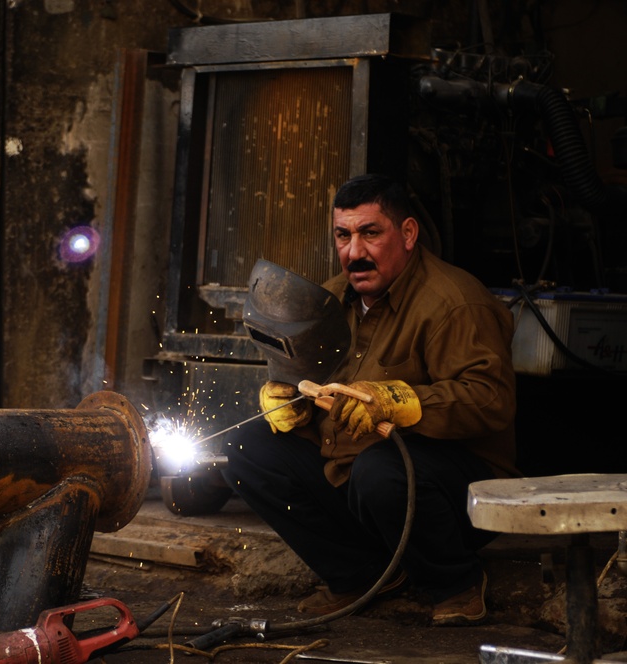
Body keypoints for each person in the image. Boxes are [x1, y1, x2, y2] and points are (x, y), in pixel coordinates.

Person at [222, 173, 519, 626]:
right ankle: (361, 576)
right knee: (248, 447)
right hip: (357, 478)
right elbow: (309, 388)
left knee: (380, 469)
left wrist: (400, 401)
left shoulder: (455, 302)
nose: (354, 253)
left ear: (407, 234)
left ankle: (456, 582)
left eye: (370, 233)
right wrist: (288, 398)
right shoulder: (332, 300)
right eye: (343, 236)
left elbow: (490, 399)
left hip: (455, 491)